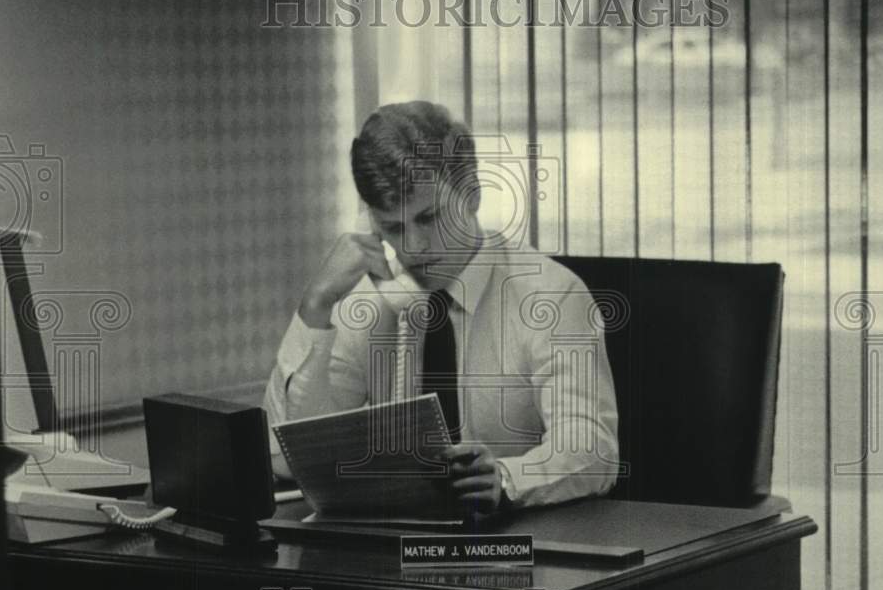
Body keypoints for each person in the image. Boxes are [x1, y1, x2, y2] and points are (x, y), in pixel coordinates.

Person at [264, 100, 618, 517]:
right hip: (388, 553)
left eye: (429, 218)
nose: (412, 247)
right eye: (393, 228)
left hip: (520, 546)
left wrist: (505, 478)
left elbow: (593, 452)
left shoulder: (550, 296)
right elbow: (287, 459)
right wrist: (315, 307)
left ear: (472, 195)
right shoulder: (370, 300)